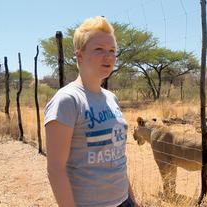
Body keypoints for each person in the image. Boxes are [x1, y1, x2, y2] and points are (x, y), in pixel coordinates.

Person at [44, 16, 140, 207]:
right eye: (99, 49)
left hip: (123, 201)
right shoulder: (67, 101)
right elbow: (55, 169)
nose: (108, 56)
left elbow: (116, 156)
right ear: (79, 55)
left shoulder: (111, 98)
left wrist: (132, 200)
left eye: (112, 50)